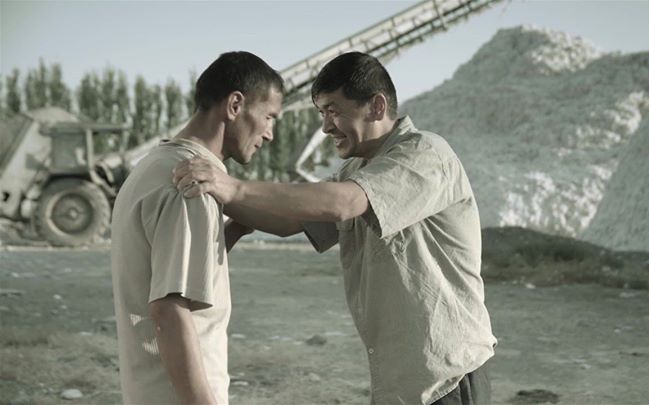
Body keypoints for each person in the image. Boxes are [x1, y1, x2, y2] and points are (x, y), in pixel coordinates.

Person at [173, 51, 496, 405]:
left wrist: (233, 187)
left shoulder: (426, 154)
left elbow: (344, 203)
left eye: (333, 111)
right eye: (321, 113)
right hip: (402, 386)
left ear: (376, 106)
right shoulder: (357, 170)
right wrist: (214, 193)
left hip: (446, 380)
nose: (326, 127)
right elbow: (289, 221)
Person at [111, 51, 283, 405]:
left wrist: (229, 232)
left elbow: (170, 271)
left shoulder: (154, 166)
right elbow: (170, 311)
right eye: (268, 116)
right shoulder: (193, 183)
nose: (269, 134)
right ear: (235, 105)